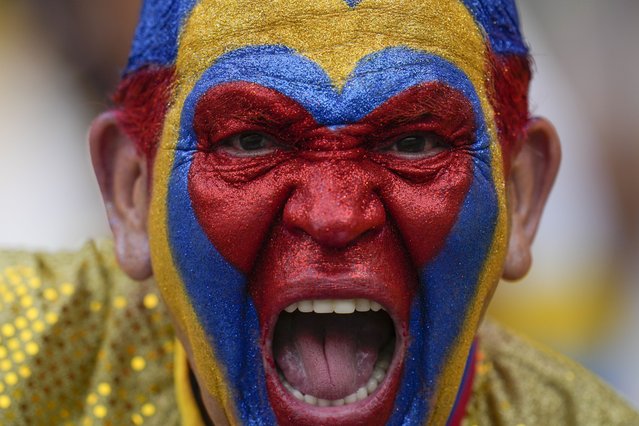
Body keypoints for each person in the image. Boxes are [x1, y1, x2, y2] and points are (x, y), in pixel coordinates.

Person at [0, 0, 637, 424]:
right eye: (250, 141)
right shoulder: (24, 357)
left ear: (520, 196)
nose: (334, 215)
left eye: (414, 142)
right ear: (130, 192)